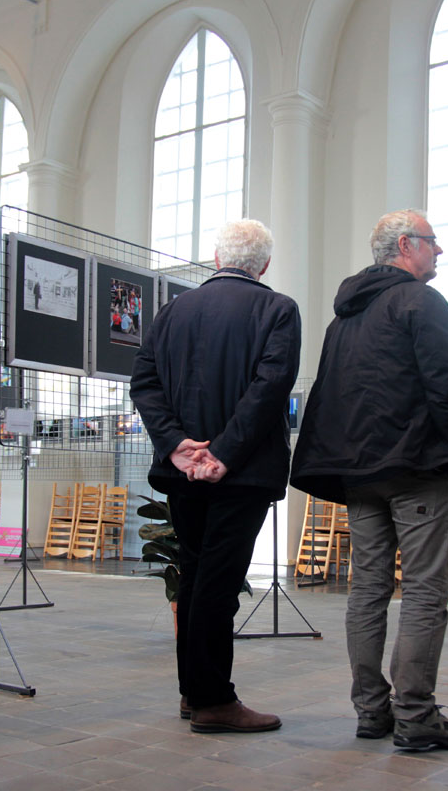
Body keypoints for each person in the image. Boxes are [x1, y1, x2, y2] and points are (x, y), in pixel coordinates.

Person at [290, 209, 448, 751]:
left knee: (367, 590)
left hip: (359, 473)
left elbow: (332, 394)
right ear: (406, 245)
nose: (439, 251)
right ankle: (416, 716)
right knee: (424, 591)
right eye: (433, 241)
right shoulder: (422, 301)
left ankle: (372, 710)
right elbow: (446, 386)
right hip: (417, 469)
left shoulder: (344, 318)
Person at [130, 218, 300, 734]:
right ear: (264, 265)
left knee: (196, 573)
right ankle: (212, 700)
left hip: (184, 471)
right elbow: (270, 388)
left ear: (217, 258)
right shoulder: (278, 309)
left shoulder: (172, 311)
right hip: (242, 474)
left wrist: (176, 445)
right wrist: (223, 454)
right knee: (219, 583)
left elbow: (144, 381)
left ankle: (193, 692)